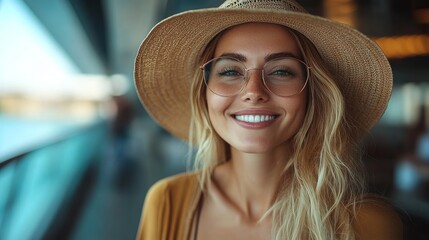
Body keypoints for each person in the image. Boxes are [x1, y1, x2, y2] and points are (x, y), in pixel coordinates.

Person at [134, 0, 403, 239]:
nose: (253, 91)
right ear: (203, 94)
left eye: (282, 72)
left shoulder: (368, 226)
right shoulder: (166, 202)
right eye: (230, 71)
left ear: (313, 94)